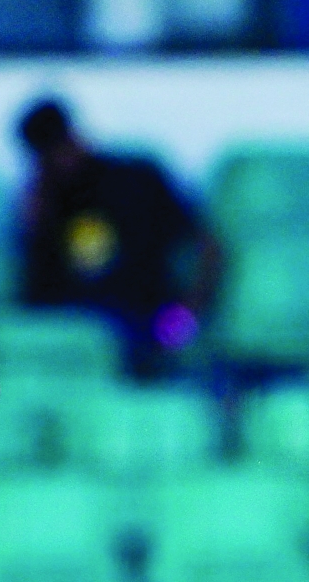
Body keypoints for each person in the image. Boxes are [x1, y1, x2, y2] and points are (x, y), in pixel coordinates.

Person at [15, 97, 220, 378]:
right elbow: (35, 297)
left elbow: (207, 247)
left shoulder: (137, 178)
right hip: (77, 338)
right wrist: (34, 223)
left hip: (146, 327)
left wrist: (185, 317)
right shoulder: (47, 203)